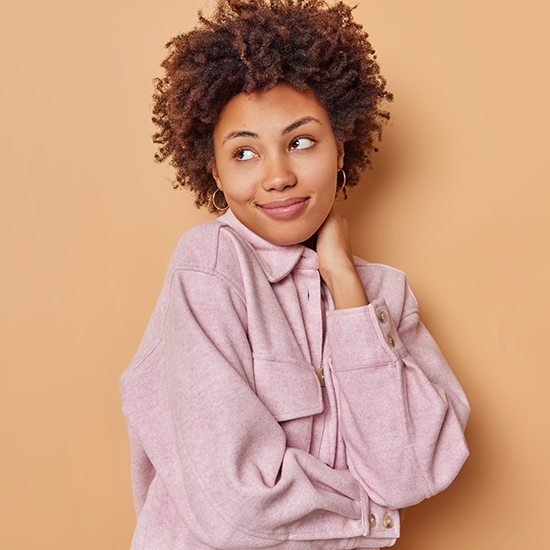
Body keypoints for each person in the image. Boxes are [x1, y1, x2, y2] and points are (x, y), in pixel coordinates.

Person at [120, 1, 470, 549]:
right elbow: (233, 502)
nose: (278, 176)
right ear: (213, 168)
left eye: (300, 142)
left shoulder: (385, 296)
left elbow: (411, 472)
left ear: (340, 149)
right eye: (244, 153)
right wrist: (368, 515)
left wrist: (346, 288)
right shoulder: (209, 266)